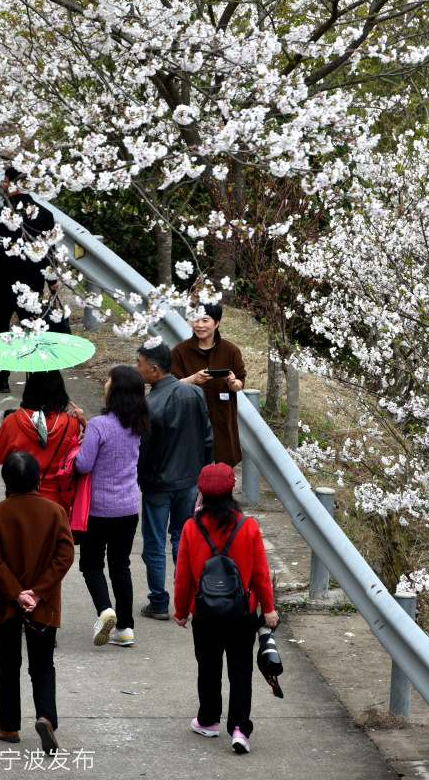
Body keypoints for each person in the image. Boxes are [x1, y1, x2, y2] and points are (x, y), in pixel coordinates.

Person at [173, 463, 279, 754]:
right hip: (241, 614)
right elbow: (260, 573)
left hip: (205, 614)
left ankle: (208, 721)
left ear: (202, 492)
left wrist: (181, 610)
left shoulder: (191, 528)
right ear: (232, 490)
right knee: (241, 671)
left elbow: (183, 575)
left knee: (208, 668)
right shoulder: (248, 526)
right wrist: (268, 609)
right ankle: (240, 730)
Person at [0, 450, 75, 755]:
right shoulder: (55, 512)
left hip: (6, 602)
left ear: (5, 480)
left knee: (7, 663)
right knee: (43, 664)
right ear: (38, 479)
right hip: (43, 605)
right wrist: (38, 592)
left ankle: (9, 727)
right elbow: (65, 555)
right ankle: (46, 717)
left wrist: (17, 592)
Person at [73, 365, 151, 648]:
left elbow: (84, 464)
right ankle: (126, 629)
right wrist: (86, 424)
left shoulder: (99, 424)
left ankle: (106, 610)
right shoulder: (139, 423)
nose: (105, 384)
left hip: (98, 510)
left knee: (91, 563)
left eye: (108, 381)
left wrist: (79, 442)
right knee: (121, 566)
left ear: (115, 390)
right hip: (128, 508)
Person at [135, 340, 214, 620]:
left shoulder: (148, 404)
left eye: (140, 364)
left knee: (154, 544)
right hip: (190, 480)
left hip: (158, 484)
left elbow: (142, 451)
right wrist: (207, 473)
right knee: (181, 537)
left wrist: (135, 479)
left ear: (154, 370)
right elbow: (207, 437)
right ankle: (189, 596)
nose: (137, 369)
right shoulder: (194, 392)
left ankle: (159, 601)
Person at [0, 167, 56, 393]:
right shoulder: (45, 214)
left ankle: (1, 379)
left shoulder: (4, 213)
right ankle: (35, 380)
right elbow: (49, 251)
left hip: (2, 282)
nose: (3, 185)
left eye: (5, 180)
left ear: (14, 183)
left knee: (0, 329)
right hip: (32, 284)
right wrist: (52, 280)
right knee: (32, 329)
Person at [171, 302, 247, 467]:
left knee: (222, 478)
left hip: (222, 425)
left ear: (217, 323)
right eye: (195, 320)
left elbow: (240, 382)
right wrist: (193, 379)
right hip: (189, 425)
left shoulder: (230, 350)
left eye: (205, 320)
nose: (199, 325)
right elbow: (169, 386)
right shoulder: (179, 351)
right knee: (192, 475)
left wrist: (233, 383)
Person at [0, 372, 82, 510]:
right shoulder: (72, 423)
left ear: (29, 390)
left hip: (19, 502)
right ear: (60, 392)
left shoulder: (12, 421)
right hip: (57, 505)